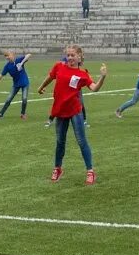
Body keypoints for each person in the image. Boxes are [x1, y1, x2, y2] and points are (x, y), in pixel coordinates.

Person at [40, 44, 107, 183]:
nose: (70, 57)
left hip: (75, 111)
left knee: (82, 141)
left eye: (72, 55)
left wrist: (102, 77)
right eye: (68, 55)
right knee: (60, 142)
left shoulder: (82, 74)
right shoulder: (58, 66)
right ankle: (57, 169)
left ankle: (90, 171)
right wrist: (41, 87)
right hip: (60, 111)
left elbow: (94, 88)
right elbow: (50, 77)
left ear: (79, 57)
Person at [0, 51, 31, 119]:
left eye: (8, 55)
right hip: (16, 84)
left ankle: (23, 114)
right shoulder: (7, 66)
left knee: (24, 99)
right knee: (8, 99)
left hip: (25, 83)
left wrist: (22, 62)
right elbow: (1, 75)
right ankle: (0, 114)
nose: (7, 57)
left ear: (13, 55)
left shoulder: (19, 60)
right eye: (6, 56)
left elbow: (29, 55)